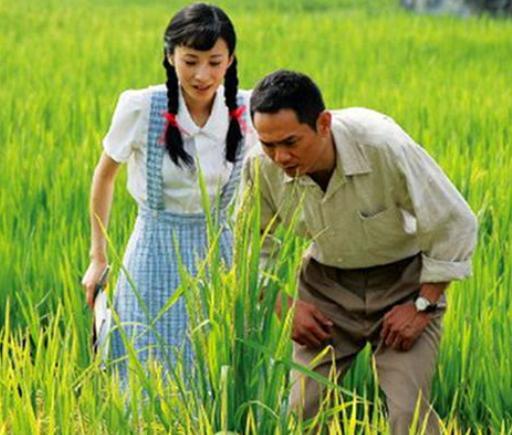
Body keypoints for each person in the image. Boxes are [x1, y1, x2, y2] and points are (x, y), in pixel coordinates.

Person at [243, 70, 477, 434]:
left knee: (408, 412)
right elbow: (247, 244)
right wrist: (283, 305)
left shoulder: (383, 146)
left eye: (290, 142)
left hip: (403, 285)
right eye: (268, 144)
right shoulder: (260, 165)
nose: (280, 156)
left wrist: (422, 305)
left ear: (323, 124)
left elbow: (454, 220)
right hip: (325, 289)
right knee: (302, 409)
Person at [81, 3, 255, 380]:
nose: (202, 75)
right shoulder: (142, 107)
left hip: (220, 254)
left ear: (230, 60)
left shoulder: (247, 110)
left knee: (216, 368)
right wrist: (98, 257)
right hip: (152, 252)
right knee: (145, 366)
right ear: (170, 55)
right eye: (190, 61)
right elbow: (104, 176)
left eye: (214, 62)